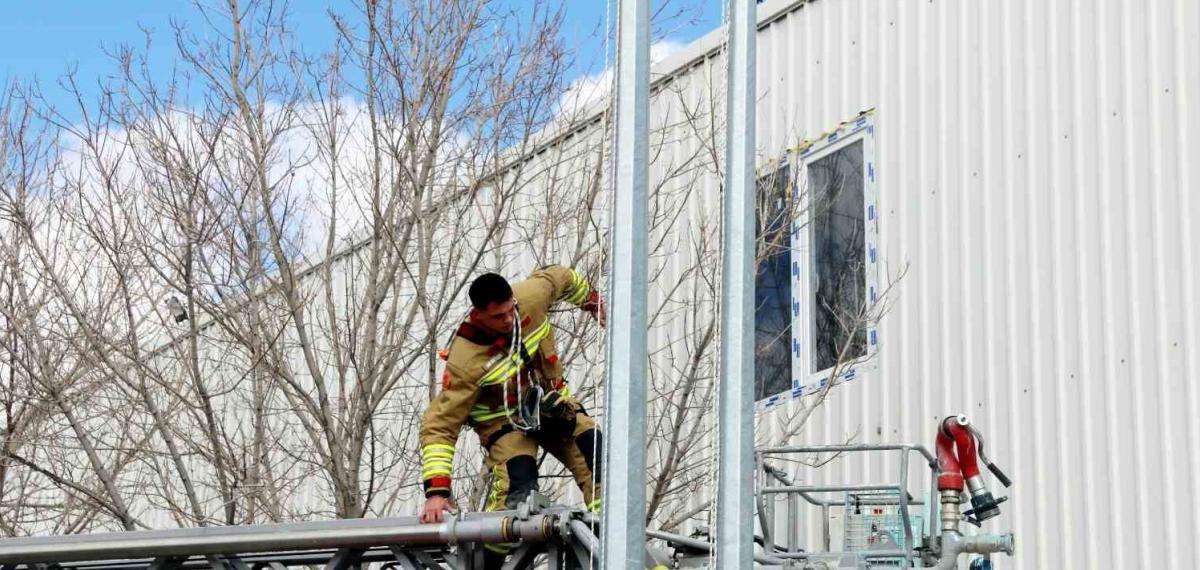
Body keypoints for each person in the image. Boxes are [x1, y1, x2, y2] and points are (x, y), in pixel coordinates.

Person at [417, 266, 605, 566]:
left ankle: (606, 543)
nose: (508, 320)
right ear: (478, 315)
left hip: (548, 404)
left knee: (596, 453)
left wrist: (592, 301)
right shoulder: (465, 360)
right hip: (503, 423)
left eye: (510, 311)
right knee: (517, 488)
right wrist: (437, 491)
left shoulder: (532, 296)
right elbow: (439, 426)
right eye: (498, 317)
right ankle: (487, 564)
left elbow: (563, 277)